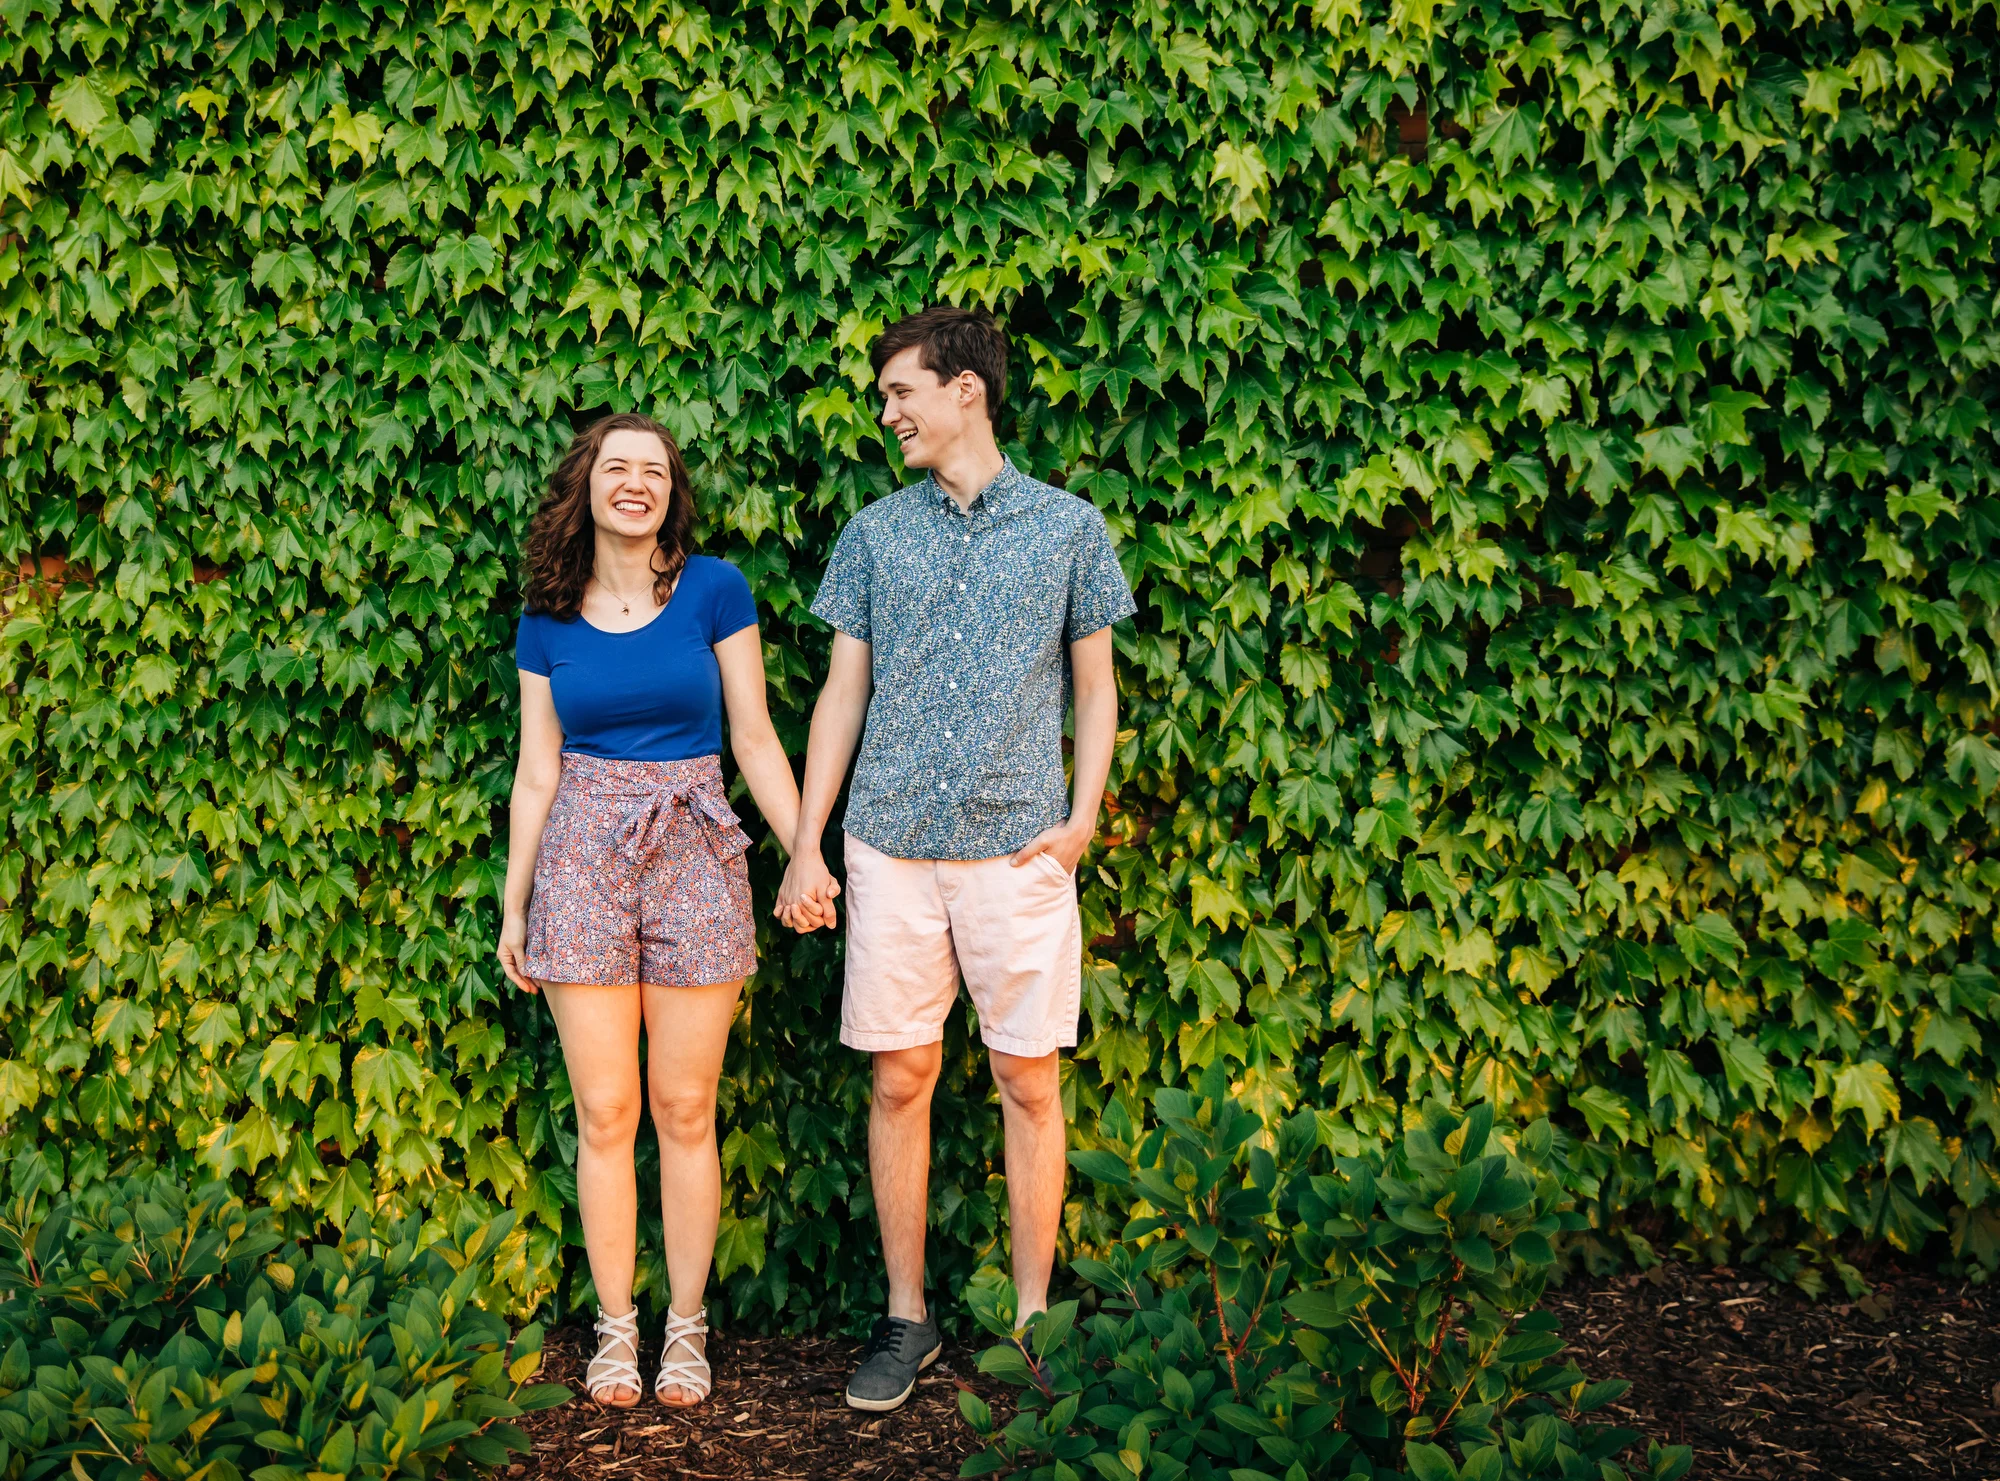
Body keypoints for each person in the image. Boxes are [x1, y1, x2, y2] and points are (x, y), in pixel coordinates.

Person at [776, 305, 1136, 1413]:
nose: (886, 413)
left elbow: (1094, 685)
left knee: (1027, 1079)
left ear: (964, 390)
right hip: (887, 847)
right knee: (900, 1077)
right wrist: (807, 843)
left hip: (1017, 852)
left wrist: (1079, 820)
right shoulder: (875, 532)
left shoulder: (1070, 528)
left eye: (900, 393)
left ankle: (1034, 1324)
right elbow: (842, 691)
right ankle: (905, 1315)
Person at [496, 411, 826, 1410]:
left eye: (653, 469)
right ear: (585, 487)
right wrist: (514, 907)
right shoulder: (546, 614)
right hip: (580, 856)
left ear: (671, 491)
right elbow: (535, 770)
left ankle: (684, 1327)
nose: (634, 482)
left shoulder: (715, 590)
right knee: (606, 1111)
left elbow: (758, 739)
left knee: (684, 1108)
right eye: (615, 467)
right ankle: (613, 1328)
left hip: (696, 844)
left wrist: (806, 849)